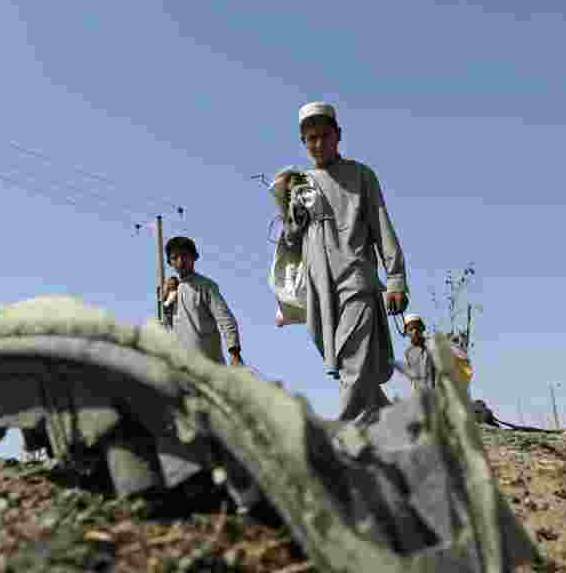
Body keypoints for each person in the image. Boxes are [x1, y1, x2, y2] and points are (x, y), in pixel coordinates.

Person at [276, 101, 408, 424]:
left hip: (356, 279)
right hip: (321, 289)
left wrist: (395, 279)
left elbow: (381, 227)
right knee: (349, 357)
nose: (318, 144)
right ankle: (390, 418)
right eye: (310, 139)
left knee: (352, 353)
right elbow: (292, 241)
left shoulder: (361, 175)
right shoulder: (301, 185)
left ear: (338, 135)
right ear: (303, 143)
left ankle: (343, 431)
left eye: (324, 136)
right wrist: (293, 217)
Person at [165, 236, 244, 366]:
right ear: (170, 262)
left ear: (194, 257)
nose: (180, 261)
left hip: (209, 365)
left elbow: (225, 319)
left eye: (184, 256)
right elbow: (166, 327)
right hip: (182, 366)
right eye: (175, 258)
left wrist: (234, 352)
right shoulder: (171, 291)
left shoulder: (206, 286)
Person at [402, 314, 436, 394]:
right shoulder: (408, 352)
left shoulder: (431, 344)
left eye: (417, 328)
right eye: (411, 329)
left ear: (422, 329)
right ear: (406, 332)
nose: (415, 331)